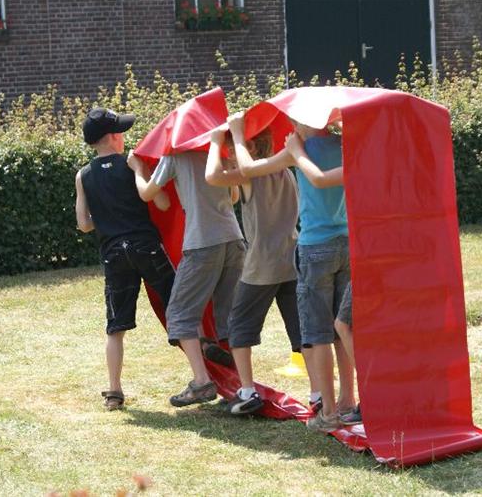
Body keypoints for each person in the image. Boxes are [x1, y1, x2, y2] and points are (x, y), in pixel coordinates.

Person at [235, 119, 357, 432]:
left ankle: (328, 412)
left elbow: (248, 169)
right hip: (346, 243)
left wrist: (236, 134)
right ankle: (347, 400)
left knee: (317, 334)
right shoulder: (343, 144)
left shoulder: (297, 149)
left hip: (315, 247)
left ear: (303, 120)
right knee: (342, 328)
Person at [204, 114, 315, 415]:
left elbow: (212, 176)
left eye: (232, 149)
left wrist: (215, 142)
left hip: (261, 266)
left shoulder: (250, 175)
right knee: (302, 332)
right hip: (291, 259)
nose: (229, 155)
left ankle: (247, 391)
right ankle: (317, 393)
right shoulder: (286, 171)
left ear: (249, 147)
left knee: (240, 329)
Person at [127, 137, 245, 407]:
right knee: (227, 315)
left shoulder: (174, 157)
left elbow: (147, 194)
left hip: (202, 242)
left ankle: (202, 382)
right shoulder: (216, 152)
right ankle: (241, 385)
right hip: (234, 239)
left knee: (179, 314)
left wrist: (137, 168)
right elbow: (234, 196)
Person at [75, 107, 175, 411]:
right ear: (113, 137)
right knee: (178, 306)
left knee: (115, 327)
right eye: (120, 132)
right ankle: (205, 371)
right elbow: (161, 201)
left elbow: (84, 224)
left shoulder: (83, 175)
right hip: (146, 246)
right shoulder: (133, 165)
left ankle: (115, 391)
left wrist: (107, 217)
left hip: (114, 254)